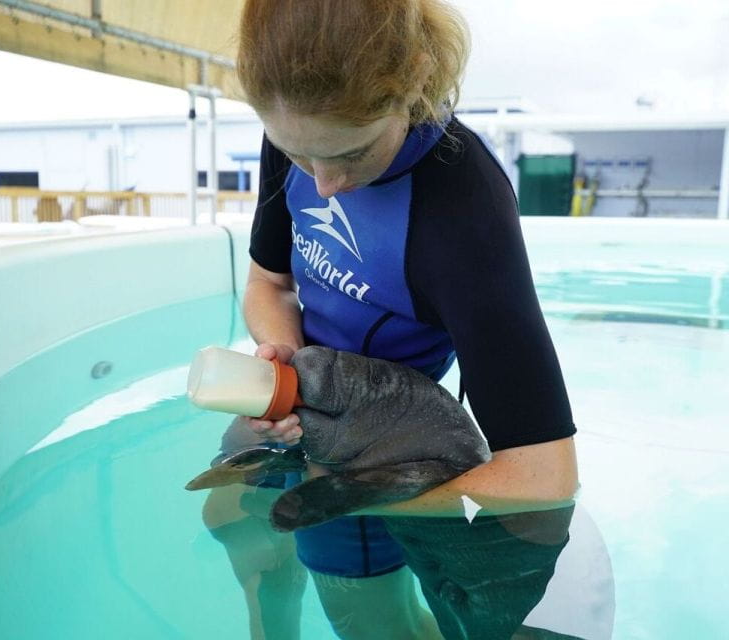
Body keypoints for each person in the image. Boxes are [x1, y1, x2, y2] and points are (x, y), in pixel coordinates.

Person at [204, 1, 579, 638]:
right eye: (297, 154)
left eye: (350, 151)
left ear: (416, 79)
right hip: (311, 410)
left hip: (384, 450)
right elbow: (267, 284)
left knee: (369, 626)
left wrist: (364, 495)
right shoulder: (302, 125)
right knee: (230, 522)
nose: (323, 183)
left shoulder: (463, 212)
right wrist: (285, 369)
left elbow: (545, 478)